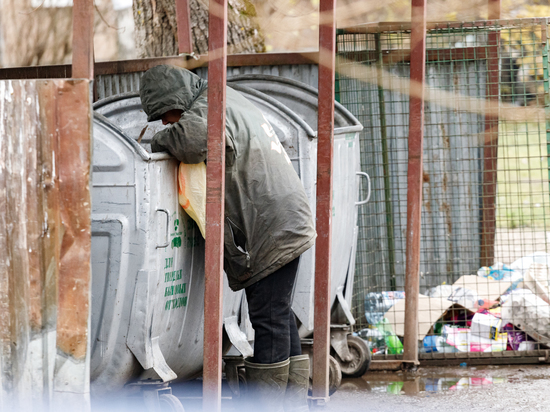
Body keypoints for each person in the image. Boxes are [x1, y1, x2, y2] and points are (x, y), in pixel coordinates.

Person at [140, 65, 316, 412]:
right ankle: (294, 404)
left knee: (267, 318)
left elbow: (188, 142)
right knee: (278, 315)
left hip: (268, 227)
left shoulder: (208, 108)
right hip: (285, 220)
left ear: (175, 99)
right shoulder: (225, 97)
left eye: (165, 114)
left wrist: (153, 140)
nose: (165, 123)